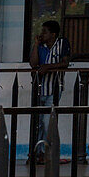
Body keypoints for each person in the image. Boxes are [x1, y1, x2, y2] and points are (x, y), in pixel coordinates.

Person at [29, 19, 71, 162]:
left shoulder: (62, 43)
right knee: (38, 122)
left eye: (45, 32)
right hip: (39, 87)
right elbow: (33, 63)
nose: (42, 34)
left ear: (53, 34)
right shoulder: (40, 46)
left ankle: (50, 153)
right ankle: (38, 154)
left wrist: (48, 67)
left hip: (54, 88)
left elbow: (65, 63)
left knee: (48, 122)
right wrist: (36, 44)